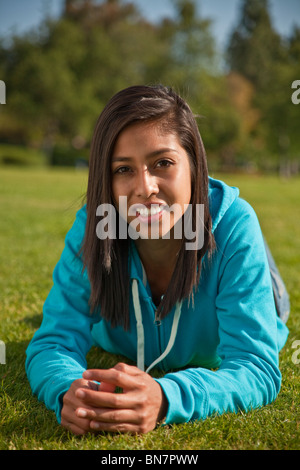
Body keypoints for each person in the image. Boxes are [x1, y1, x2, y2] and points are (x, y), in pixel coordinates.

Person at [25, 85, 289, 435]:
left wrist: (167, 397)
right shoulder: (95, 226)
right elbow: (53, 342)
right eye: (123, 169)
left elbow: (255, 366)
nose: (145, 187)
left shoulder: (235, 227)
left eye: (163, 163)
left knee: (247, 257)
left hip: (238, 261)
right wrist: (68, 393)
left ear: (194, 165)